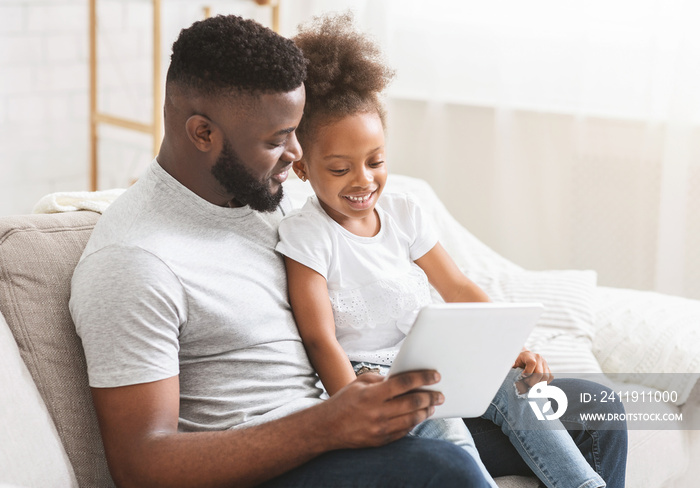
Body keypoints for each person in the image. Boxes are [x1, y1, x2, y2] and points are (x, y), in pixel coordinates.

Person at [69, 13, 495, 488]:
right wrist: (330, 423)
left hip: (343, 427)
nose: (296, 155)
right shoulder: (134, 262)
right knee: (445, 469)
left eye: (296, 130)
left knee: (570, 411)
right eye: (277, 140)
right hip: (273, 467)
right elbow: (140, 467)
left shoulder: (267, 199)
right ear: (203, 133)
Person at [277, 13, 628, 488]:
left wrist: (514, 349)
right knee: (444, 429)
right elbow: (319, 338)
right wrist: (351, 410)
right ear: (303, 169)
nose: (363, 180)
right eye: (340, 169)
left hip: (439, 361)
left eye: (376, 161)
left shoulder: (404, 212)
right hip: (376, 383)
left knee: (516, 391)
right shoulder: (307, 235)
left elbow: (457, 285)